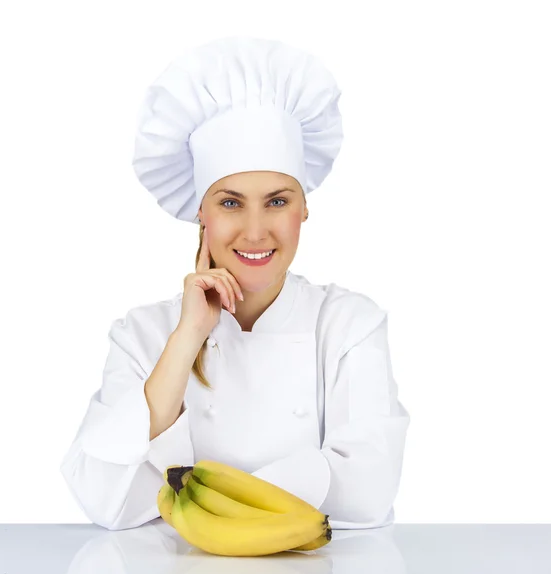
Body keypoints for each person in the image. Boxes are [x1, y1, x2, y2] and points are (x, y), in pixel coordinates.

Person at [60, 36, 411, 531]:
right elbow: (101, 492)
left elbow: (369, 487)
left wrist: (220, 506)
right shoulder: (143, 333)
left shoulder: (349, 325)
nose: (254, 230)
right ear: (199, 213)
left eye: (277, 200)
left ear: (304, 207)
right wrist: (187, 339)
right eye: (229, 203)